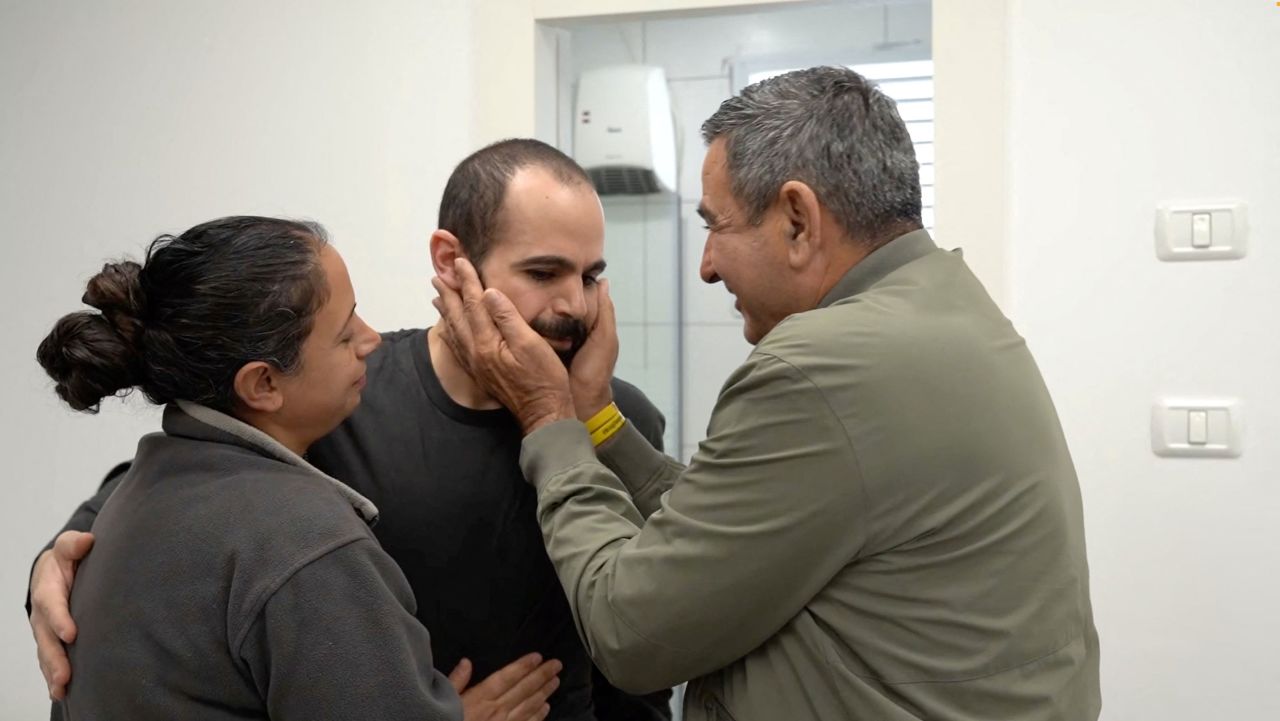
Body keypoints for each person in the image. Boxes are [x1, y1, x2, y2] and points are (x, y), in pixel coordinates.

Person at [433, 67, 1103, 721]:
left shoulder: (822, 367)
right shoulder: (948, 307)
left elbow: (630, 634)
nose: (706, 265)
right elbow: (747, 530)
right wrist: (599, 419)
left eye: (715, 226)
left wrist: (550, 420)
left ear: (798, 219)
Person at [28, 141, 672, 721]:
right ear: (452, 261)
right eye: (543, 273)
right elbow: (180, 488)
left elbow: (646, 646)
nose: (574, 306)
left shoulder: (617, 422)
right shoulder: (339, 399)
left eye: (590, 277)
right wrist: (53, 563)